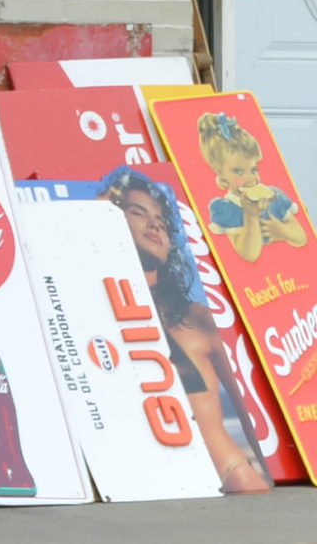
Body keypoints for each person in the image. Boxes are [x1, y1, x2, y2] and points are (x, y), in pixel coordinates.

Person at [102, 167, 272, 493]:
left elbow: (251, 408)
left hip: (230, 477)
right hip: (146, 487)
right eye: (138, 213)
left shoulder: (196, 318)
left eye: (162, 220)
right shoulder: (92, 310)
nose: (155, 224)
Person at [197, 112, 306, 262]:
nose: (250, 179)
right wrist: (251, 215)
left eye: (254, 169)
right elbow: (249, 255)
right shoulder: (227, 208)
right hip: (254, 282)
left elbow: (301, 238)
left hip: (289, 273)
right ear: (221, 173)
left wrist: (282, 230)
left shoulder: (274, 196)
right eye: (239, 171)